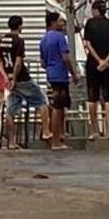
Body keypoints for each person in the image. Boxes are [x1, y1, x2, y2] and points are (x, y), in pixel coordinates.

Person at [4, 14, 48, 149]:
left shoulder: (2, 40)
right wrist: (15, 77)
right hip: (22, 78)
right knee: (42, 101)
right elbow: (18, 61)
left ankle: (11, 141)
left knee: (10, 111)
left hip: (9, 78)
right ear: (20, 26)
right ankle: (46, 131)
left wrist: (7, 77)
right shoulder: (19, 41)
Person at [39, 12, 79, 150]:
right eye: (60, 21)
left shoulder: (44, 39)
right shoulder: (60, 37)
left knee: (59, 106)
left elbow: (42, 62)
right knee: (58, 107)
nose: (62, 23)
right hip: (60, 74)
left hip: (51, 74)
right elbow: (66, 57)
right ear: (53, 23)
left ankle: (61, 135)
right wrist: (73, 73)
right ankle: (56, 140)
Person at [82, 0, 109, 140]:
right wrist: (106, 61)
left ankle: (94, 131)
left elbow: (88, 44)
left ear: (96, 10)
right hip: (108, 66)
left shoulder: (90, 24)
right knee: (108, 98)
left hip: (93, 64)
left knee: (93, 98)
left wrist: (98, 60)